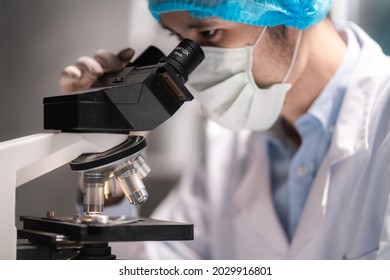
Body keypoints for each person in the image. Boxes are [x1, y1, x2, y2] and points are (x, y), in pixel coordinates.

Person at [60, 0, 390, 259]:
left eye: (208, 33)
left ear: (287, 13)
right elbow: (159, 264)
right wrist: (109, 160)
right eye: (178, 39)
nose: (192, 68)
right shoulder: (228, 141)